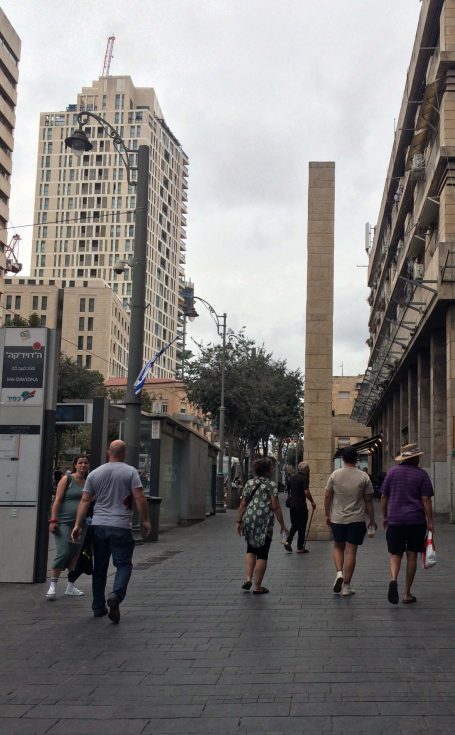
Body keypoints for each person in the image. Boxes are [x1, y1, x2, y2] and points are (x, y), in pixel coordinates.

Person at [71, 440, 151, 623]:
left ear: (109, 452)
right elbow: (139, 496)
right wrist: (146, 520)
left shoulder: (95, 473)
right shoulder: (130, 471)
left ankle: (98, 606)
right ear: (124, 454)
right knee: (123, 564)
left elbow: (85, 500)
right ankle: (116, 594)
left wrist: (77, 524)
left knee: (100, 567)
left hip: (98, 526)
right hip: (121, 526)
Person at [381, 443, 434, 605]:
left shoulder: (392, 473)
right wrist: (430, 521)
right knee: (412, 556)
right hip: (416, 521)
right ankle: (406, 594)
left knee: (395, 554)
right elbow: (425, 499)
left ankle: (393, 579)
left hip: (395, 520)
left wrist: (384, 517)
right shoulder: (422, 475)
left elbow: (384, 497)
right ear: (415, 457)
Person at [324, 446, 376, 597]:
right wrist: (372, 520)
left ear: (343, 458)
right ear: (356, 459)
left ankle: (339, 573)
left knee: (338, 546)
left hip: (338, 518)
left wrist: (327, 514)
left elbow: (327, 496)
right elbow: (369, 501)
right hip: (357, 519)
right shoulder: (364, 477)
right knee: (351, 551)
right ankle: (346, 586)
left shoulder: (335, 475)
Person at [236, 456, 288, 594]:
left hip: (249, 518)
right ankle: (257, 586)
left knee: (250, 549)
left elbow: (243, 504)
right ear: (267, 470)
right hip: (264, 521)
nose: (272, 470)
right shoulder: (271, 485)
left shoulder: (249, 483)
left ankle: (248, 578)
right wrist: (282, 525)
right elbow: (276, 506)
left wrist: (239, 521)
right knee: (262, 553)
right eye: (271, 468)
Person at [47, 455, 90, 600]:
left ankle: (70, 586)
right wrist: (53, 520)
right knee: (63, 552)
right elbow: (57, 500)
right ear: (75, 465)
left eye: (85, 463)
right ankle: (52, 586)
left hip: (81, 523)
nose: (83, 465)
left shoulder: (88, 482)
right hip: (63, 522)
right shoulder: (67, 479)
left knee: (75, 555)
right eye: (80, 463)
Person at [284, 461, 316, 553]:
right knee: (302, 526)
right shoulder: (304, 478)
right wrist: (312, 502)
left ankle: (288, 541)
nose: (309, 470)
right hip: (301, 506)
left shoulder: (292, 478)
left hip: (292, 506)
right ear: (306, 469)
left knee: (295, 525)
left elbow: (289, 491)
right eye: (309, 468)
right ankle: (300, 547)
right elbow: (306, 492)